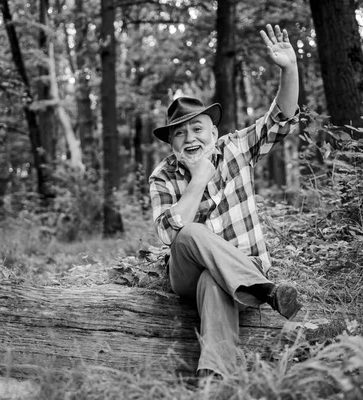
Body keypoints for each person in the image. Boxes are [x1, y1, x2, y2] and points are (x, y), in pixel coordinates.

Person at [149, 24, 304, 379]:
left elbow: (280, 120)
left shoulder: (235, 148)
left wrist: (289, 69)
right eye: (180, 133)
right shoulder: (163, 175)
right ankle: (265, 290)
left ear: (214, 132)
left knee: (213, 281)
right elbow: (169, 234)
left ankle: (215, 378)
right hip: (186, 276)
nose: (190, 138)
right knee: (187, 234)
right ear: (171, 142)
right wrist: (200, 176)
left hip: (230, 270)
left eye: (198, 128)